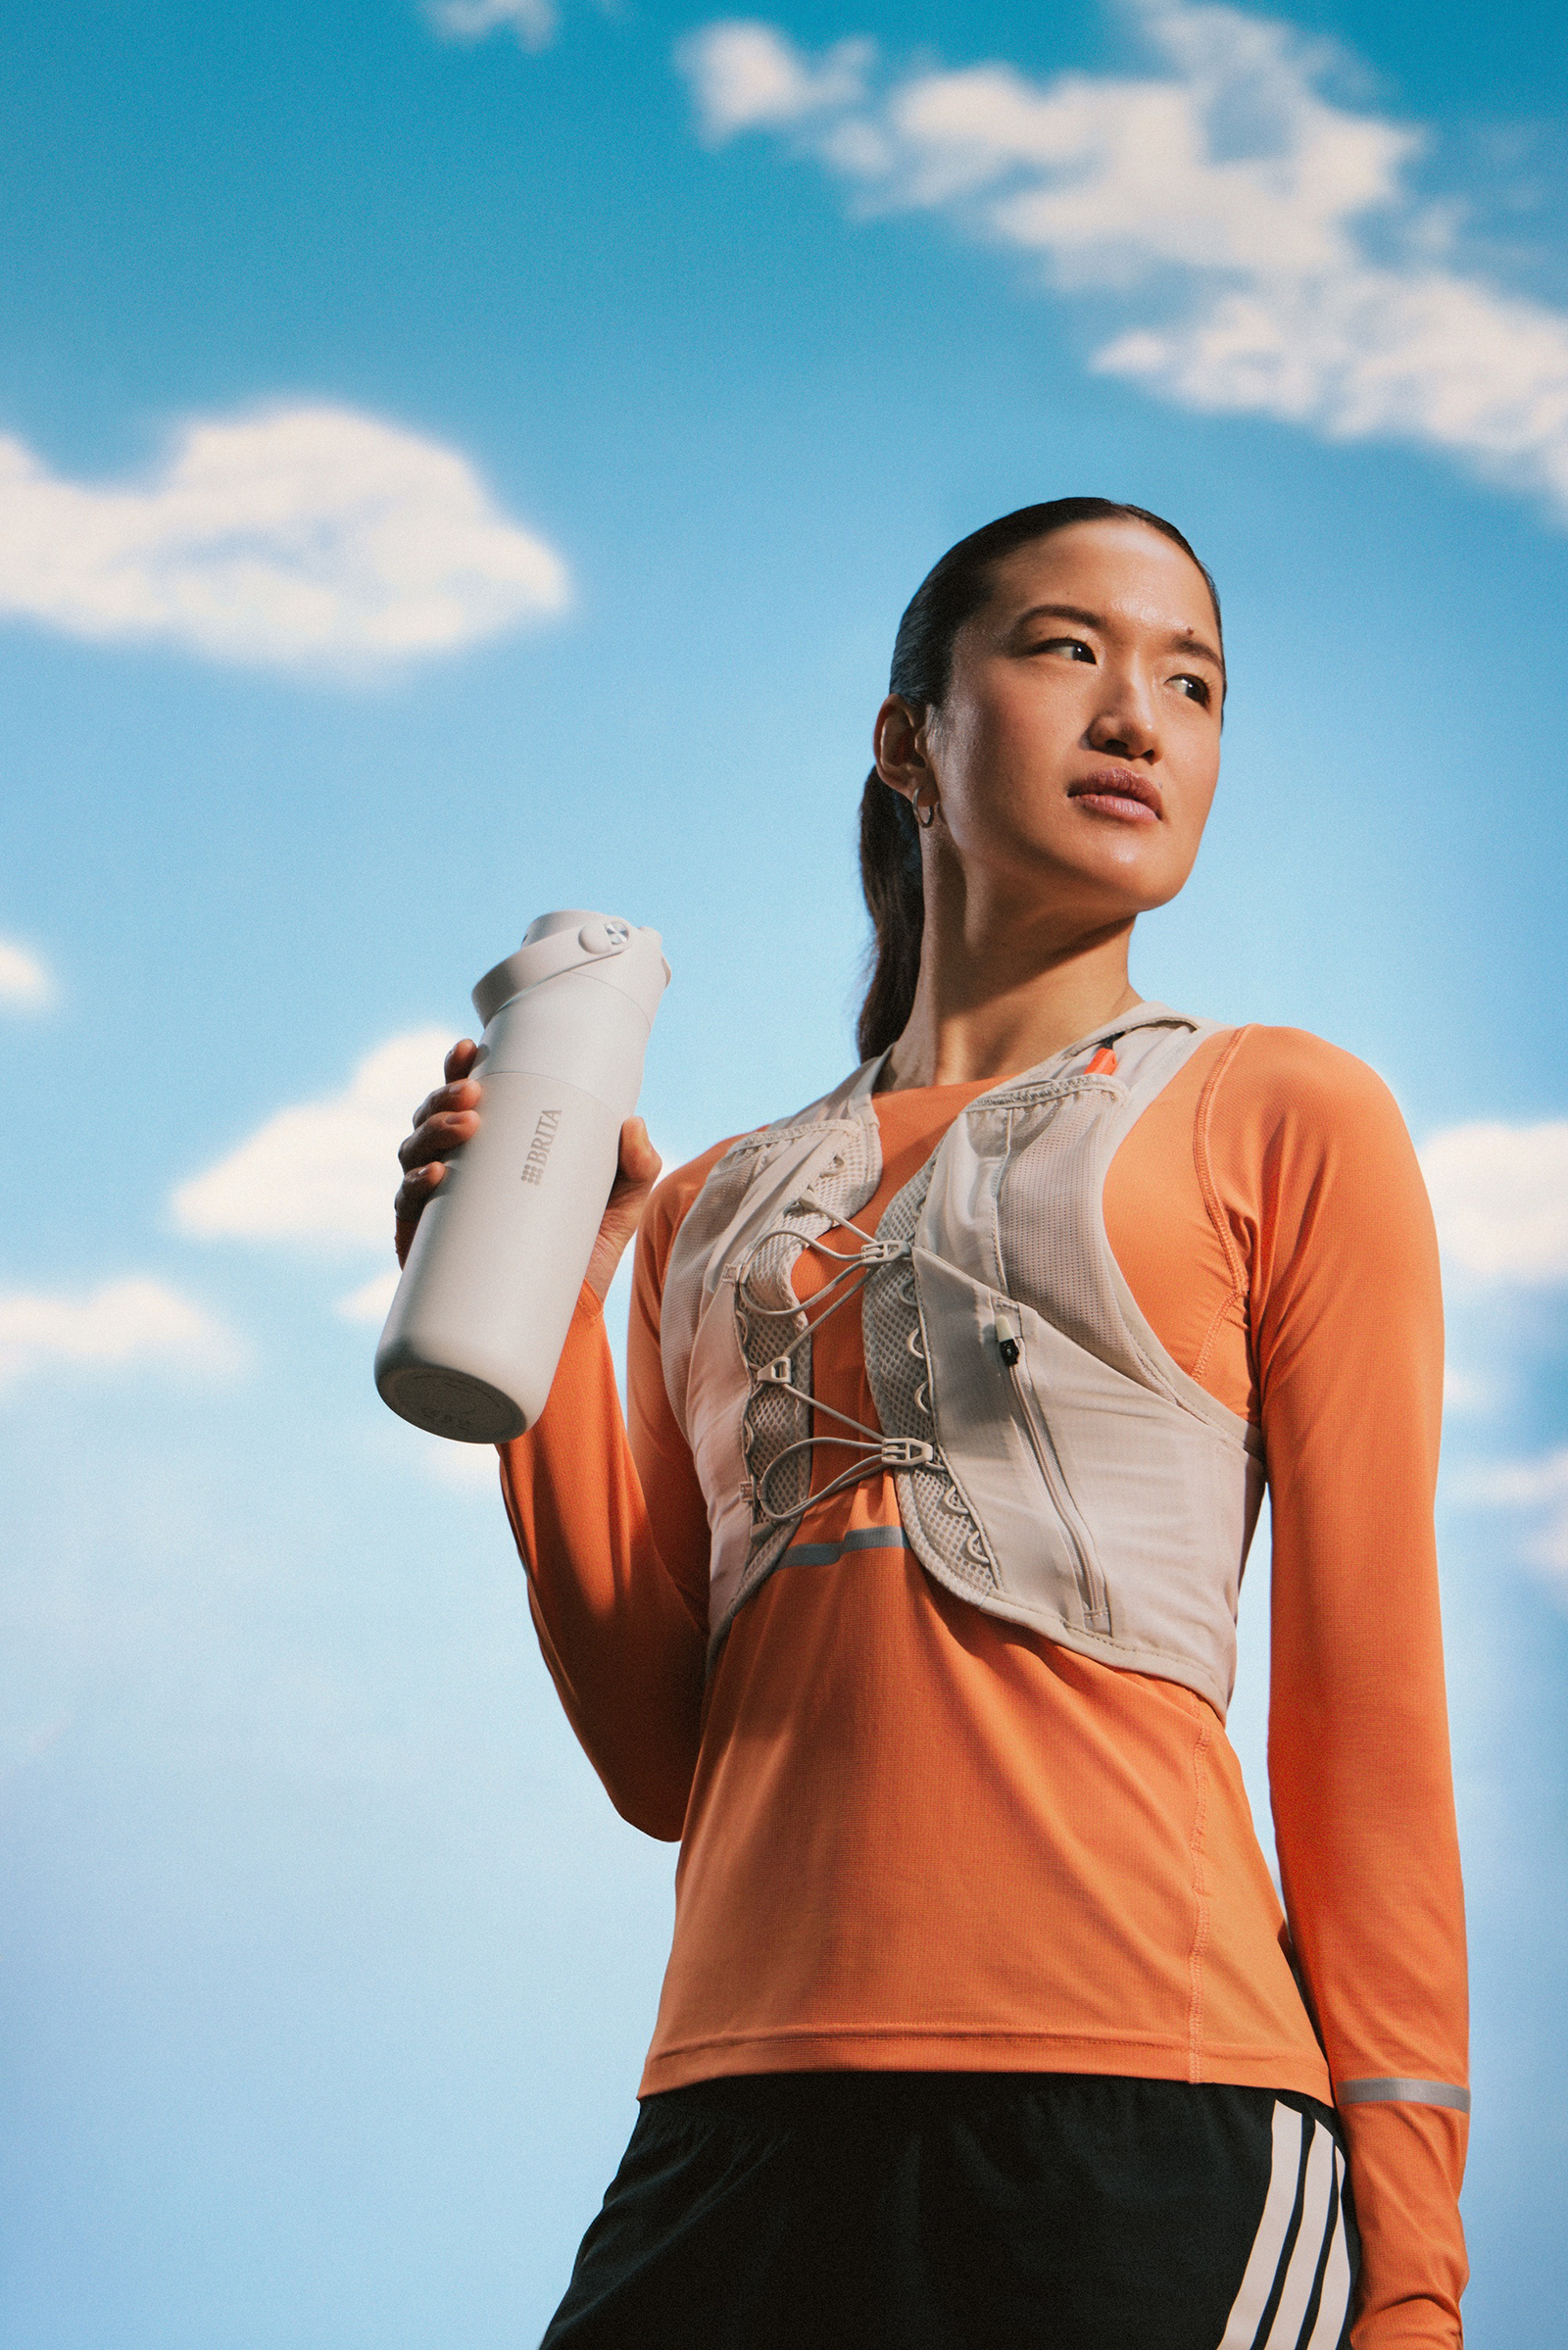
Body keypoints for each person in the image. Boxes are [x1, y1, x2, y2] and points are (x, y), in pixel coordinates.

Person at [394, 500, 1469, 2350]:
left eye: (1193, 682)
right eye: (1069, 650)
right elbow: (673, 1758)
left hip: (1153, 2109)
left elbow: (1366, 1704)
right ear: (911, 737)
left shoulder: (1283, 1114)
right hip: (730, 2111)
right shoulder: (715, 1203)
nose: (1140, 713)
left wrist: (1416, 2273)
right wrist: (557, 1311)